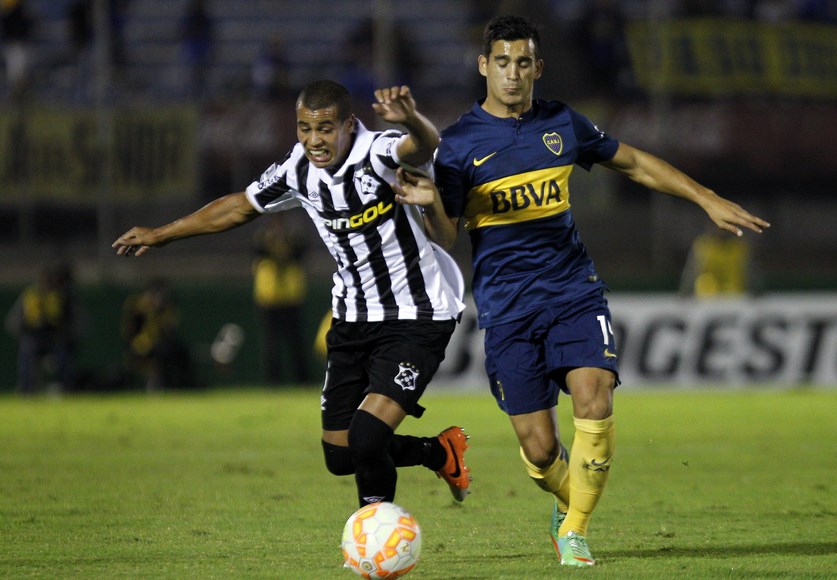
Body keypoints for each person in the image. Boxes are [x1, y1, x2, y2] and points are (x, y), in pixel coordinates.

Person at [395, 15, 770, 567]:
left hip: (574, 291)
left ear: (538, 67)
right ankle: (569, 502)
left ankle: (573, 533)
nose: (513, 74)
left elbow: (636, 163)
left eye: (524, 63)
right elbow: (448, 235)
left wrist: (705, 197)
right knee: (540, 448)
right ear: (484, 67)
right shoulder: (456, 146)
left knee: (595, 397)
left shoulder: (562, 124)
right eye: (502, 63)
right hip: (506, 308)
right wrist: (431, 208)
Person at [112, 80, 471, 510]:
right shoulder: (297, 169)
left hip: (416, 313)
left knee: (368, 435)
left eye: (324, 129)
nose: (314, 140)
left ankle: (378, 543)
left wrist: (411, 117)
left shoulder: (377, 152)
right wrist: (161, 235)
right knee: (340, 455)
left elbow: (422, 146)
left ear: (348, 125)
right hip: (353, 318)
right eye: (304, 128)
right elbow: (239, 206)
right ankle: (438, 452)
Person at [251, 214, 311, 385]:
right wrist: (270, 240)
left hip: (291, 297)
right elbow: (258, 251)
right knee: (271, 344)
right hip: (269, 297)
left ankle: (302, 381)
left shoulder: (294, 236)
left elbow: (300, 253)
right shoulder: (262, 237)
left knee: (296, 343)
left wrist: (286, 241)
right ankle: (273, 382)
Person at [4, 262, 81, 394]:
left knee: (63, 355)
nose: (47, 282)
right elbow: (13, 321)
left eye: (50, 279)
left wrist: (67, 336)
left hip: (54, 338)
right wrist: (23, 334)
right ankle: (26, 389)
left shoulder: (61, 296)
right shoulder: (30, 294)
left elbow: (73, 320)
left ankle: (66, 388)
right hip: (33, 337)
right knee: (27, 351)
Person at [121, 277, 195, 391]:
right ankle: (154, 383)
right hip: (142, 344)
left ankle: (182, 385)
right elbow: (130, 331)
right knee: (157, 352)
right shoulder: (137, 305)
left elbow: (169, 330)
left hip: (161, 344)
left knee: (180, 352)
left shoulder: (167, 308)